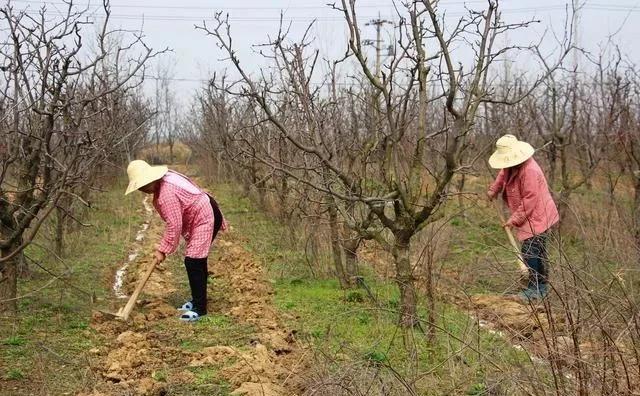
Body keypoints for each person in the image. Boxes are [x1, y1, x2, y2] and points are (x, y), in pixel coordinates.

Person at [125, 160, 225, 321]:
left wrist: (162, 250)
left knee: (193, 261)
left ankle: (200, 308)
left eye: (143, 186)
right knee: (197, 261)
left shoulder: (166, 194)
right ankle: (198, 299)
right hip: (204, 211)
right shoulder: (165, 179)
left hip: (205, 216)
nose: (142, 190)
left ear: (150, 180)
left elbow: (175, 225)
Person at [487, 135, 559, 300]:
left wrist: (513, 220)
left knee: (531, 251)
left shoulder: (530, 171)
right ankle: (541, 286)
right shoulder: (510, 165)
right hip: (530, 214)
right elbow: (502, 176)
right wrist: (494, 190)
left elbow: (529, 200)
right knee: (536, 250)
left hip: (539, 214)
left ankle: (535, 288)